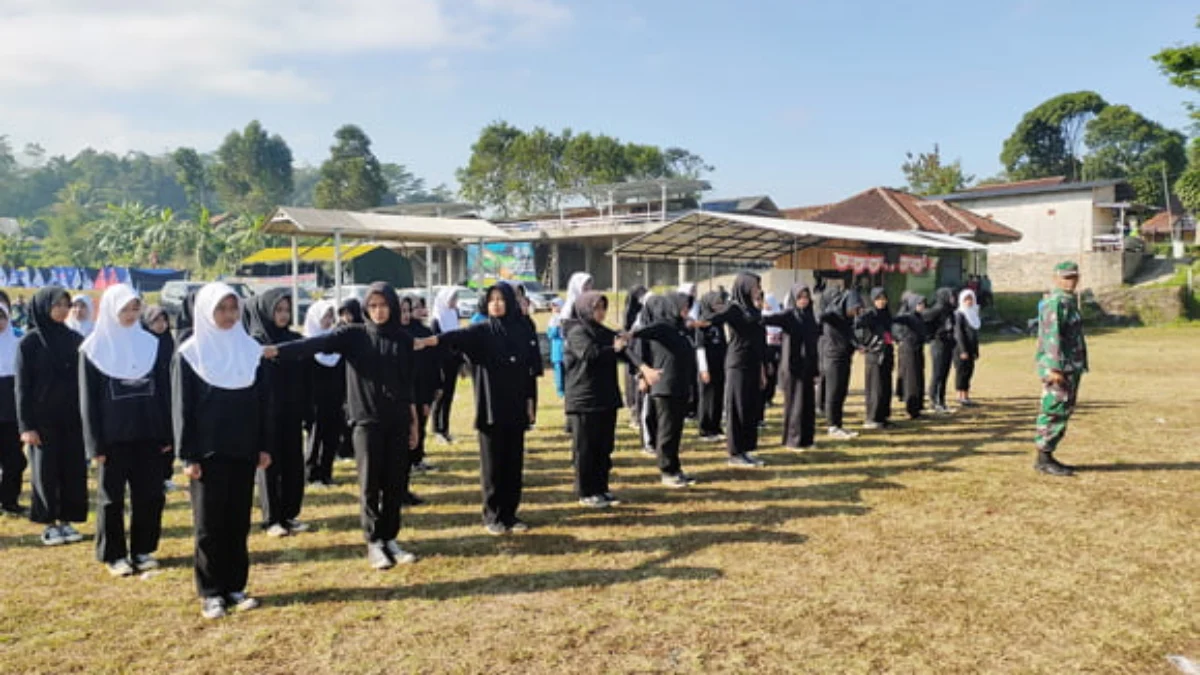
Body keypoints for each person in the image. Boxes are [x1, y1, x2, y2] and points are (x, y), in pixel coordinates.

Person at [269, 283, 421, 568]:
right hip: (367, 422)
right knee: (370, 483)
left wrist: (414, 424)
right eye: (373, 305)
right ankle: (373, 541)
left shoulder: (403, 339)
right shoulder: (354, 336)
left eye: (384, 305)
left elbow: (408, 385)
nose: (378, 311)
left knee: (395, 482)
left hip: (397, 421)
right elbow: (314, 344)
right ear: (366, 308)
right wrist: (277, 350)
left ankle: (390, 538)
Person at [173, 283, 272, 619]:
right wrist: (189, 455)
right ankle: (211, 591)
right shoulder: (190, 353)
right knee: (209, 525)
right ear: (206, 312)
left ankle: (235, 586)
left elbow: (262, 403)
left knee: (237, 521)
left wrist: (263, 446)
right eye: (221, 309)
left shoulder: (249, 349)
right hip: (208, 454)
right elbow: (182, 409)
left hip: (243, 450)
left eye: (233, 309)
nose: (229, 316)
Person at [417, 283, 539, 534]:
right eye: (492, 299)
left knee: (513, 464)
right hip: (491, 408)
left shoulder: (521, 329)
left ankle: (510, 514)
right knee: (492, 466)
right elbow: (455, 338)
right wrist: (430, 341)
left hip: (516, 406)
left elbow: (528, 371)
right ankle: (492, 515)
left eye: (501, 299)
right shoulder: (482, 331)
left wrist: (529, 402)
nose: (496, 303)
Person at [80, 284, 171, 577]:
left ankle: (143, 548)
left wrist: (167, 433)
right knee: (111, 499)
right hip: (112, 439)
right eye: (125, 309)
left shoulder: (151, 344)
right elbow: (88, 401)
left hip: (148, 434)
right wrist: (94, 445)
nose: (131, 315)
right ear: (110, 310)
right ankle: (114, 554)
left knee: (150, 495)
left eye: (135, 308)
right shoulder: (93, 349)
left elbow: (164, 392)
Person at [16, 286, 86, 546]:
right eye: (57, 305)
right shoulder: (30, 343)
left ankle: (67, 520)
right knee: (45, 472)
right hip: (42, 421)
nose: (63, 310)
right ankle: (48, 522)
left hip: (71, 418)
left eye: (66, 305)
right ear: (44, 306)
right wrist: (26, 425)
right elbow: (22, 387)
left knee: (71, 470)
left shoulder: (75, 340)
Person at [245, 289, 308, 538]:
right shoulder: (255, 343)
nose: (283, 315)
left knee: (293, 462)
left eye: (286, 310)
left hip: (291, 411)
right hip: (266, 414)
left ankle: (289, 513)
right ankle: (272, 518)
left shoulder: (294, 339)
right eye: (278, 310)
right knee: (269, 464)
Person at [563, 292, 630, 508]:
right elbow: (590, 354)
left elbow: (620, 350)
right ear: (584, 309)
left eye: (603, 307)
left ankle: (601, 487)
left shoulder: (604, 332)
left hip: (605, 397)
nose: (600, 312)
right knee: (586, 448)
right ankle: (586, 491)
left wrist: (625, 341)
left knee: (604, 446)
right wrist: (615, 348)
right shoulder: (577, 332)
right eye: (596, 308)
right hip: (584, 398)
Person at [631, 294, 697, 488]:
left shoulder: (681, 328)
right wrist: (630, 335)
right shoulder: (663, 327)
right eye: (684, 306)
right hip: (665, 387)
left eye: (688, 306)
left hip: (681, 386)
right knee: (667, 431)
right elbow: (644, 332)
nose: (686, 310)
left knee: (676, 431)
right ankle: (667, 471)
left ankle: (676, 468)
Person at [705, 272, 768, 467]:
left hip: (752, 363)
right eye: (754, 287)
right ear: (745, 287)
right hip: (737, 364)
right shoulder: (734, 308)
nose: (757, 290)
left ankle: (746, 450)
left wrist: (762, 370)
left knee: (750, 408)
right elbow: (714, 318)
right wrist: (699, 321)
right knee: (737, 407)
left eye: (758, 287)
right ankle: (734, 453)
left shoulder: (753, 309)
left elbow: (758, 340)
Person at [1033, 262, 1088, 477]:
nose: (1070, 281)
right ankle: (1043, 458)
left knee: (1063, 409)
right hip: (1059, 368)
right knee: (1053, 409)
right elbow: (1051, 337)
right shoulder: (1056, 302)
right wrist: (1054, 367)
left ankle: (1047, 455)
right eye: (1065, 277)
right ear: (1055, 278)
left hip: (1070, 366)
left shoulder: (1068, 302)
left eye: (1073, 277)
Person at [764, 283, 820, 450]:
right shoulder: (789, 315)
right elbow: (769, 319)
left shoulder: (810, 317)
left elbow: (814, 342)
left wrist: (816, 368)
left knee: (808, 404)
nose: (803, 300)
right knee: (795, 405)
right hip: (793, 367)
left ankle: (807, 439)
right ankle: (792, 440)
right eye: (800, 297)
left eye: (806, 297)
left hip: (808, 367)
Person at [302, 300, 345, 489]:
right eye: (325, 316)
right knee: (315, 435)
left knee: (332, 435)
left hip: (334, 398)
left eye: (330, 316)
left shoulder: (334, 342)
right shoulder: (307, 344)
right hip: (314, 400)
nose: (328, 321)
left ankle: (326, 473)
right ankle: (312, 473)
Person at [399, 295, 437, 502]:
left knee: (413, 436)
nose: (405, 315)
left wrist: (429, 396)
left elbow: (429, 366)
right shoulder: (391, 335)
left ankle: (404, 489)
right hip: (397, 399)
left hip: (418, 393)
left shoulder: (420, 333)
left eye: (407, 311)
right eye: (402, 311)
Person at [819, 287, 864, 439]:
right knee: (834, 391)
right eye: (854, 309)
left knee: (841, 391)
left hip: (845, 357)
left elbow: (850, 335)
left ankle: (838, 424)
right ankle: (832, 426)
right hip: (833, 358)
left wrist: (858, 345)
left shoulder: (847, 319)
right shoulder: (834, 316)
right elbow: (822, 315)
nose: (855, 313)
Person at [142, 304, 178, 492]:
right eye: (156, 320)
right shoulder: (143, 344)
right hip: (151, 396)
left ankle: (166, 474)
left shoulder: (168, 341)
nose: (161, 325)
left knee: (169, 435)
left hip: (168, 395)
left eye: (164, 320)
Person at [0, 301, 27, 517]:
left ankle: (10, 500)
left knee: (15, 459)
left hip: (12, 410)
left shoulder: (18, 341)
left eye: (2, 317)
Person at [857, 287, 895, 430]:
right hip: (874, 355)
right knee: (875, 387)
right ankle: (872, 417)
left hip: (886, 352)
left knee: (885, 386)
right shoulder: (870, 314)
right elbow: (857, 325)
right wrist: (863, 344)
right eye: (878, 299)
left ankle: (883, 416)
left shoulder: (886, 314)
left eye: (884, 298)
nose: (882, 301)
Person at [694, 291, 728, 442]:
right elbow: (700, 347)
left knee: (718, 396)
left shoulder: (718, 321)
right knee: (706, 397)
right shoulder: (702, 322)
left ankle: (716, 426)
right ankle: (705, 429)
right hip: (707, 366)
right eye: (716, 304)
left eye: (721, 303)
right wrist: (703, 369)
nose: (719, 306)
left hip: (719, 364)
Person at [430, 288, 461, 445]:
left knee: (449, 396)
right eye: (452, 298)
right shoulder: (436, 319)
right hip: (440, 363)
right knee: (439, 396)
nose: (454, 301)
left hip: (453, 362)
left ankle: (445, 429)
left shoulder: (454, 314)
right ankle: (436, 429)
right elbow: (436, 344)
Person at [893, 293, 930, 420]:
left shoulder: (919, 317)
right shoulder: (908, 316)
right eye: (919, 304)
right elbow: (897, 322)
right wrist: (900, 338)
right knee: (911, 381)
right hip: (908, 351)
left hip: (917, 349)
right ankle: (911, 410)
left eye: (923, 304)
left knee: (918, 378)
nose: (922, 306)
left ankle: (918, 407)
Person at [926, 287, 958, 414]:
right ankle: (933, 401)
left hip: (948, 344)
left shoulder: (949, 310)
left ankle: (942, 400)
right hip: (938, 344)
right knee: (937, 373)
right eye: (950, 296)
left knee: (945, 373)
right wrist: (933, 335)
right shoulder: (937, 309)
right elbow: (924, 320)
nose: (953, 299)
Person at [622, 286, 648, 429]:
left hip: (640, 350)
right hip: (632, 352)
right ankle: (635, 415)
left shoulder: (645, 313)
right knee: (634, 384)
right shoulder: (630, 314)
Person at [953, 289, 981, 407]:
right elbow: (958, 334)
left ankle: (966, 395)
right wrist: (963, 350)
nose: (969, 302)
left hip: (970, 349)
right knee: (962, 372)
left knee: (969, 371)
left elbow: (974, 334)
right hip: (961, 350)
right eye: (966, 299)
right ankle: (960, 396)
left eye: (971, 299)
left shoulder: (973, 313)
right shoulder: (959, 314)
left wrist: (975, 351)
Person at [762, 294, 783, 418]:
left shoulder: (778, 314)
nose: (766, 305)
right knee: (767, 372)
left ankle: (770, 397)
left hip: (777, 347)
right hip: (766, 348)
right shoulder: (762, 315)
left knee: (774, 373)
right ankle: (764, 398)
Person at [547, 298, 566, 400]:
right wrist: (556, 327)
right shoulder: (552, 320)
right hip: (557, 352)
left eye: (556, 305)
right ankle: (560, 391)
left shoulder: (566, 317)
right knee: (559, 373)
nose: (554, 308)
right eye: (553, 306)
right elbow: (550, 335)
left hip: (567, 351)